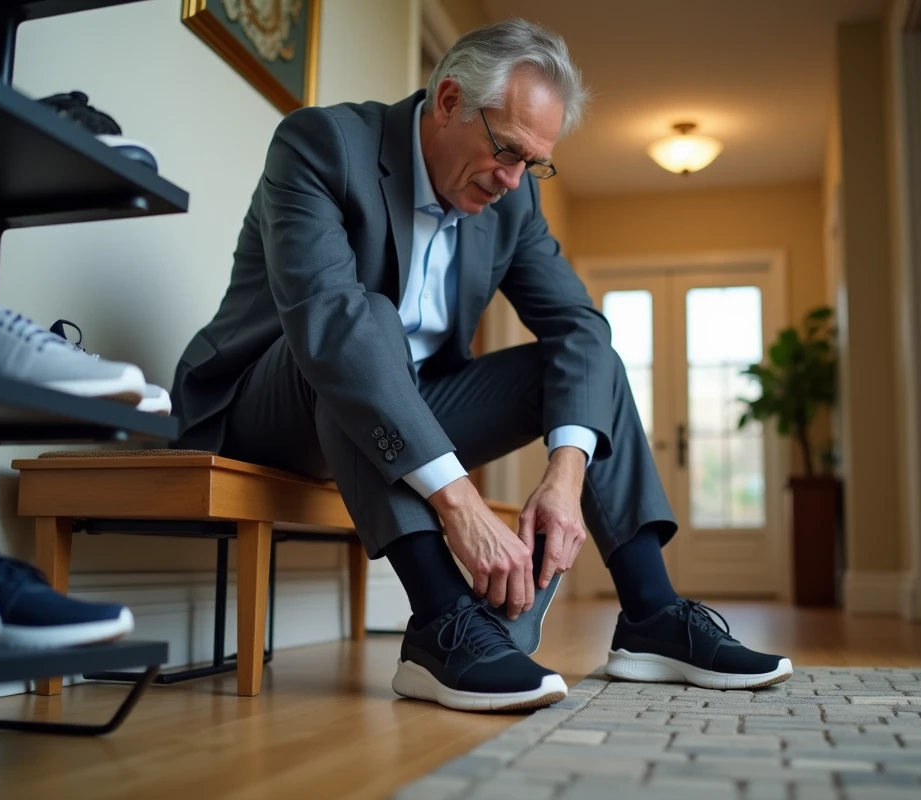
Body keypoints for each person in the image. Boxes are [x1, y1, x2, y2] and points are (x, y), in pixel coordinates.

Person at [170, 18, 792, 713]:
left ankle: (650, 613)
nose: (513, 179)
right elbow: (329, 326)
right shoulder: (321, 145)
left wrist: (565, 474)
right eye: (505, 151)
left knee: (591, 354)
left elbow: (578, 325)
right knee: (364, 325)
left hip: (401, 403)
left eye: (534, 162)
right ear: (447, 102)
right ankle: (441, 622)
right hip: (260, 404)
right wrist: (459, 501)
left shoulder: (513, 197)